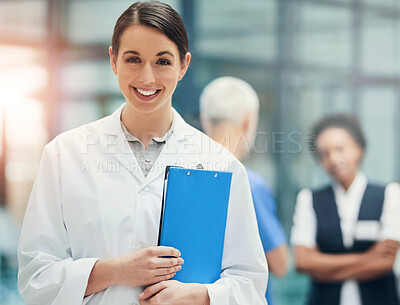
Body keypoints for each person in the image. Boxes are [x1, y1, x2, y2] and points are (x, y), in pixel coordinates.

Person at [17, 2, 268, 305]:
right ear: (113, 60)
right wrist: (117, 270)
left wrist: (200, 295)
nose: (147, 78)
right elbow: (35, 276)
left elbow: (251, 285)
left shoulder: (221, 165)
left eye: (163, 62)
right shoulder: (64, 155)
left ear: (183, 65)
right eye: (133, 59)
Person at [291, 113, 400, 305]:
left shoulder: (390, 194)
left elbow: (386, 262)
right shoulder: (309, 199)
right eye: (324, 154)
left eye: (340, 149)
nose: (333, 159)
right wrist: (368, 256)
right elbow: (302, 262)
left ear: (359, 149)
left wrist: (322, 269)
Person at [200, 76, 288, 305]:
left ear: (204, 120)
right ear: (248, 122)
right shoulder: (250, 184)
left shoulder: (186, 176)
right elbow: (280, 265)